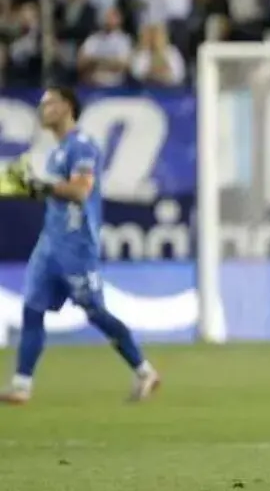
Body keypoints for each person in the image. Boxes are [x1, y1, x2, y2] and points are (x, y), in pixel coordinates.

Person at [0, 87, 159, 405]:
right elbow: (55, 193)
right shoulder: (56, 152)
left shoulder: (82, 146)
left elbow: (81, 191)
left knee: (95, 311)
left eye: (50, 103)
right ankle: (21, 384)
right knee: (32, 309)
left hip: (77, 246)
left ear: (68, 107)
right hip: (50, 243)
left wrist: (41, 186)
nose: (43, 108)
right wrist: (36, 189)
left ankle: (144, 370)